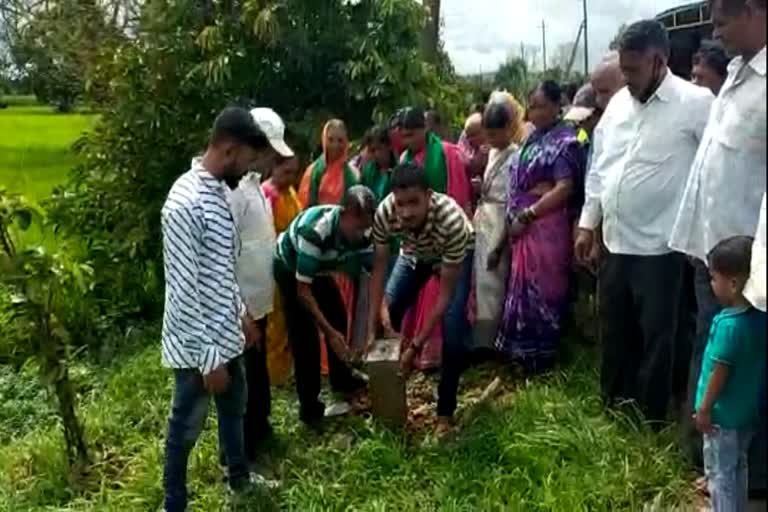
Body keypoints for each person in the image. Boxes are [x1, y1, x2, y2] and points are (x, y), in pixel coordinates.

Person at [574, 20, 714, 424]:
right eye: (625, 69)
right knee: (615, 329)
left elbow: (712, 166)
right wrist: (588, 224)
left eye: (634, 70)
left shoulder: (695, 103)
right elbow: (600, 168)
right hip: (616, 241)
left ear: (659, 60)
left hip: (661, 247)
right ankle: (613, 405)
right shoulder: (617, 105)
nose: (628, 78)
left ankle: (651, 418)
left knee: (658, 336)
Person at [668, 0, 766, 486]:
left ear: (754, 10)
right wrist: (692, 240)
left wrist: (759, 271)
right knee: (713, 357)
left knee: (745, 371)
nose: (714, 29)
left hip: (753, 270)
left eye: (723, 18)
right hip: (713, 255)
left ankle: (749, 478)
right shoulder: (735, 76)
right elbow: (713, 167)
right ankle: (712, 465)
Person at [160, 107, 275, 511]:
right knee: (184, 428)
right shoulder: (183, 204)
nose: (247, 171)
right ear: (228, 149)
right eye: (245, 160)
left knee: (234, 410)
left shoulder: (219, 193)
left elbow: (222, 269)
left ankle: (239, 479)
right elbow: (183, 289)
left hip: (227, 333)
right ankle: (174, 503)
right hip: (197, 348)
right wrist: (209, 360)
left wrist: (243, 315)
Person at [366, 162, 474, 435]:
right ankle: (386, 406)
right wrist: (375, 324)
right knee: (384, 321)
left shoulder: (451, 221)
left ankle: (445, 414)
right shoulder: (385, 212)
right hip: (414, 253)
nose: (406, 212)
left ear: (429, 196)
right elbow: (378, 271)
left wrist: (414, 345)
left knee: (452, 333)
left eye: (414, 202)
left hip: (452, 255)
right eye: (400, 204)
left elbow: (444, 297)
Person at [490, 81, 580, 372]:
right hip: (522, 229)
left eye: (541, 105)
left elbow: (565, 187)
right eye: (531, 106)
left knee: (544, 290)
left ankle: (543, 358)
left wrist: (529, 213)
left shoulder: (566, 141)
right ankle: (522, 354)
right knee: (522, 289)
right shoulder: (531, 139)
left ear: (558, 106)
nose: (535, 112)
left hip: (546, 227)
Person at [273, 186, 376, 427]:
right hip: (290, 269)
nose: (361, 233)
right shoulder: (315, 233)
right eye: (358, 226)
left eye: (366, 226)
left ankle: (342, 379)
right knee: (305, 338)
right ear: (344, 213)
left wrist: (377, 324)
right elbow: (303, 292)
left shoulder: (363, 234)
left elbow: (373, 277)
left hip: (318, 269)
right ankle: (310, 409)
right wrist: (329, 334)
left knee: (338, 314)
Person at [226, 107, 293, 465]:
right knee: (242, 381)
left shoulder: (253, 186)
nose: (271, 159)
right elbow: (223, 255)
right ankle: (241, 452)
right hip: (242, 305)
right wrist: (239, 310)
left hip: (260, 298)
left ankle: (260, 427)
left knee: (257, 374)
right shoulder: (231, 192)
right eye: (267, 151)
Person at [693, 236, 766, 511]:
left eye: (714, 278)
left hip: (720, 417)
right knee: (739, 466)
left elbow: (719, 372)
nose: (712, 285)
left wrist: (704, 409)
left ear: (733, 283)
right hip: (746, 413)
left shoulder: (727, 325)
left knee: (720, 473)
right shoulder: (760, 319)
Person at [396, 106, 472, 370]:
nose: (408, 140)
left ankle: (449, 361)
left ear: (424, 128)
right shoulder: (403, 161)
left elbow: (460, 198)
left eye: (413, 133)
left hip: (448, 238)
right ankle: (417, 354)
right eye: (404, 135)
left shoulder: (448, 153)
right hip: (418, 244)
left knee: (448, 305)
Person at [298, 119, 360, 374]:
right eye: (330, 138)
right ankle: (322, 361)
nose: (335, 144)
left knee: (341, 309)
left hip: (341, 253)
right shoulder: (313, 173)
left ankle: (340, 359)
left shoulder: (352, 174)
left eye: (340, 139)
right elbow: (305, 213)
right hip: (317, 249)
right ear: (323, 140)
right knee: (319, 306)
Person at [471, 94, 524, 351]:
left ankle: (495, 342)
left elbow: (511, 201)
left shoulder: (515, 155)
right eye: (488, 135)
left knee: (495, 280)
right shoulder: (491, 152)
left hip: (500, 220)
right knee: (481, 282)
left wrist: (501, 243)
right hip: (484, 220)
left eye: (495, 134)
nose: (491, 140)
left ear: (508, 129)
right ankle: (482, 341)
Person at [262, 155, 302, 386]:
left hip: (291, 264)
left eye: (293, 173)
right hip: (272, 265)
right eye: (286, 172)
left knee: (288, 319)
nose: (290, 177)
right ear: (274, 168)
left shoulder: (290, 192)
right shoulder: (267, 194)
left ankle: (287, 369)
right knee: (275, 323)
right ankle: (273, 375)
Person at [360, 126, 397, 202]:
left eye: (379, 148)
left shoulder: (398, 170)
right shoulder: (368, 171)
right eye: (373, 150)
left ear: (389, 146)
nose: (376, 154)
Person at [458, 112, 488, 181]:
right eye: (468, 136)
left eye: (473, 135)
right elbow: (463, 162)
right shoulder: (464, 139)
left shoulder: (495, 143)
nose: (469, 140)